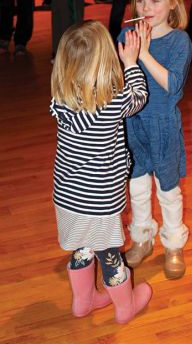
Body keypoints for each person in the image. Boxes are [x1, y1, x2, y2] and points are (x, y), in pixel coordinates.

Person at [50, 20, 152, 324]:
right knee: (109, 253)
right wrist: (131, 63)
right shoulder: (113, 100)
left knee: (81, 247)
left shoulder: (60, 101)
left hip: (67, 197)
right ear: (106, 60)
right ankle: (125, 307)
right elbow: (140, 96)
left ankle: (83, 302)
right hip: (100, 199)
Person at [118, 0, 192, 279]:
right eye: (140, 2)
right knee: (135, 186)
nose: (146, 9)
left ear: (174, 3)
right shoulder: (126, 35)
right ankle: (142, 237)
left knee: (168, 189)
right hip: (132, 124)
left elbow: (173, 87)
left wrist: (144, 54)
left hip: (163, 126)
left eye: (155, 1)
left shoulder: (179, 41)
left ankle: (174, 243)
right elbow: (118, 80)